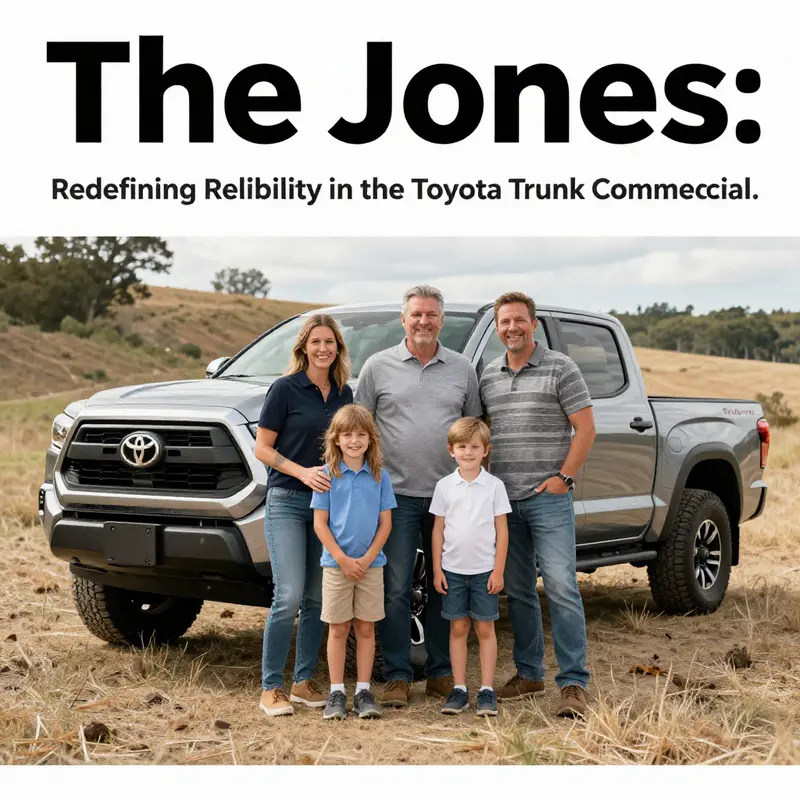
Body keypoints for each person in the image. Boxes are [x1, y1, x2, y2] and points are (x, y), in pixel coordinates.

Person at [355, 285, 483, 707]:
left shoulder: (462, 369)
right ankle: (396, 675)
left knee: (446, 585)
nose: (424, 321)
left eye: (431, 315)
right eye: (416, 315)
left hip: (451, 498)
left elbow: (474, 430)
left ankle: (442, 673)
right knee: (395, 587)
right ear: (404, 320)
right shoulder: (377, 366)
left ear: (441, 320)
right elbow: (359, 427)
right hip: (397, 496)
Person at [479, 291, 596, 718]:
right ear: (497, 328)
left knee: (563, 587)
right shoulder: (488, 374)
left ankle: (573, 684)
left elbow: (585, 429)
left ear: (533, 324)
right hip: (505, 503)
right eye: (504, 322)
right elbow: (482, 436)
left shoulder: (561, 368)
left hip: (547, 499)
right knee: (520, 592)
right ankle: (529, 675)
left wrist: (563, 479)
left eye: (519, 320)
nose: (512, 328)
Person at [254, 313, 354, 716]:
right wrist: (301, 472)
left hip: (328, 508)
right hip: (288, 501)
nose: (323, 348)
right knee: (289, 594)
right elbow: (262, 449)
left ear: (338, 348)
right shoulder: (284, 389)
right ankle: (271, 687)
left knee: (317, 598)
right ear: (303, 348)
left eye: (329, 342)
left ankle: (303, 682)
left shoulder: (345, 394)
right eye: (316, 342)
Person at [311, 404, 396, 720]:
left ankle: (363, 691)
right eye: (347, 435)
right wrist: (344, 560)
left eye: (361, 434)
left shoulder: (380, 476)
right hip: (336, 566)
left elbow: (385, 524)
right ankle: (336, 692)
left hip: (371, 565)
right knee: (338, 628)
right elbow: (321, 524)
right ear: (336, 439)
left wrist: (367, 559)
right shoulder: (326, 476)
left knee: (365, 628)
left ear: (371, 439)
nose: (354, 441)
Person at [430, 417, 510, 717]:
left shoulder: (494, 486)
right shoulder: (444, 486)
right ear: (451, 450)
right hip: (452, 571)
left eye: (474, 447)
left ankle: (487, 690)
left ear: (485, 450)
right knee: (458, 626)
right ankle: (460, 689)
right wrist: (437, 569)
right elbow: (438, 530)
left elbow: (502, 530)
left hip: (485, 571)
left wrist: (498, 570)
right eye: (462, 446)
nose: (468, 452)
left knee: (486, 628)